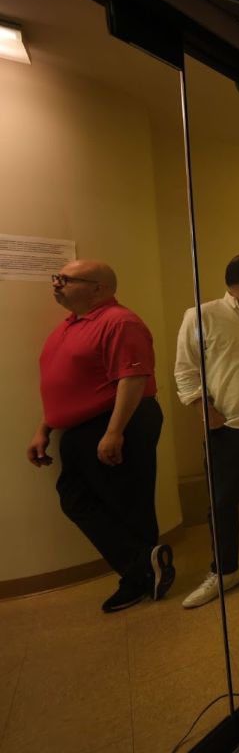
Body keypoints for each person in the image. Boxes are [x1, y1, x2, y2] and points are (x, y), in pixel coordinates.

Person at [26, 260, 175, 613]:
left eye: (66, 279)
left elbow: (133, 379)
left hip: (116, 422)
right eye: (56, 278)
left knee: (126, 503)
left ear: (99, 288)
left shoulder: (120, 321)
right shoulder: (69, 326)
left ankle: (140, 576)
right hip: (82, 428)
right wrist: (43, 428)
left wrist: (114, 432)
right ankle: (144, 565)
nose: (56, 284)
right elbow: (65, 386)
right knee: (76, 498)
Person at [174, 253, 239, 609]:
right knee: (222, 501)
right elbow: (185, 369)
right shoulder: (202, 315)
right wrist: (203, 408)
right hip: (227, 423)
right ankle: (224, 571)